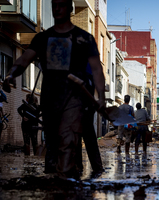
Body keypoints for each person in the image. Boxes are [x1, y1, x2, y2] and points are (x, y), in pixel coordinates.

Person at [3, 0, 105, 178]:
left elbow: (97, 70)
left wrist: (102, 97)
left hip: (76, 100)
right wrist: (11, 74)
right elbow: (24, 60)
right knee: (52, 144)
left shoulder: (84, 39)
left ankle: (81, 178)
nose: (57, 8)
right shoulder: (42, 39)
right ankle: (55, 185)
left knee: (76, 139)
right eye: (54, 5)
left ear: (70, 9)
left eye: (62, 4)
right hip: (51, 100)